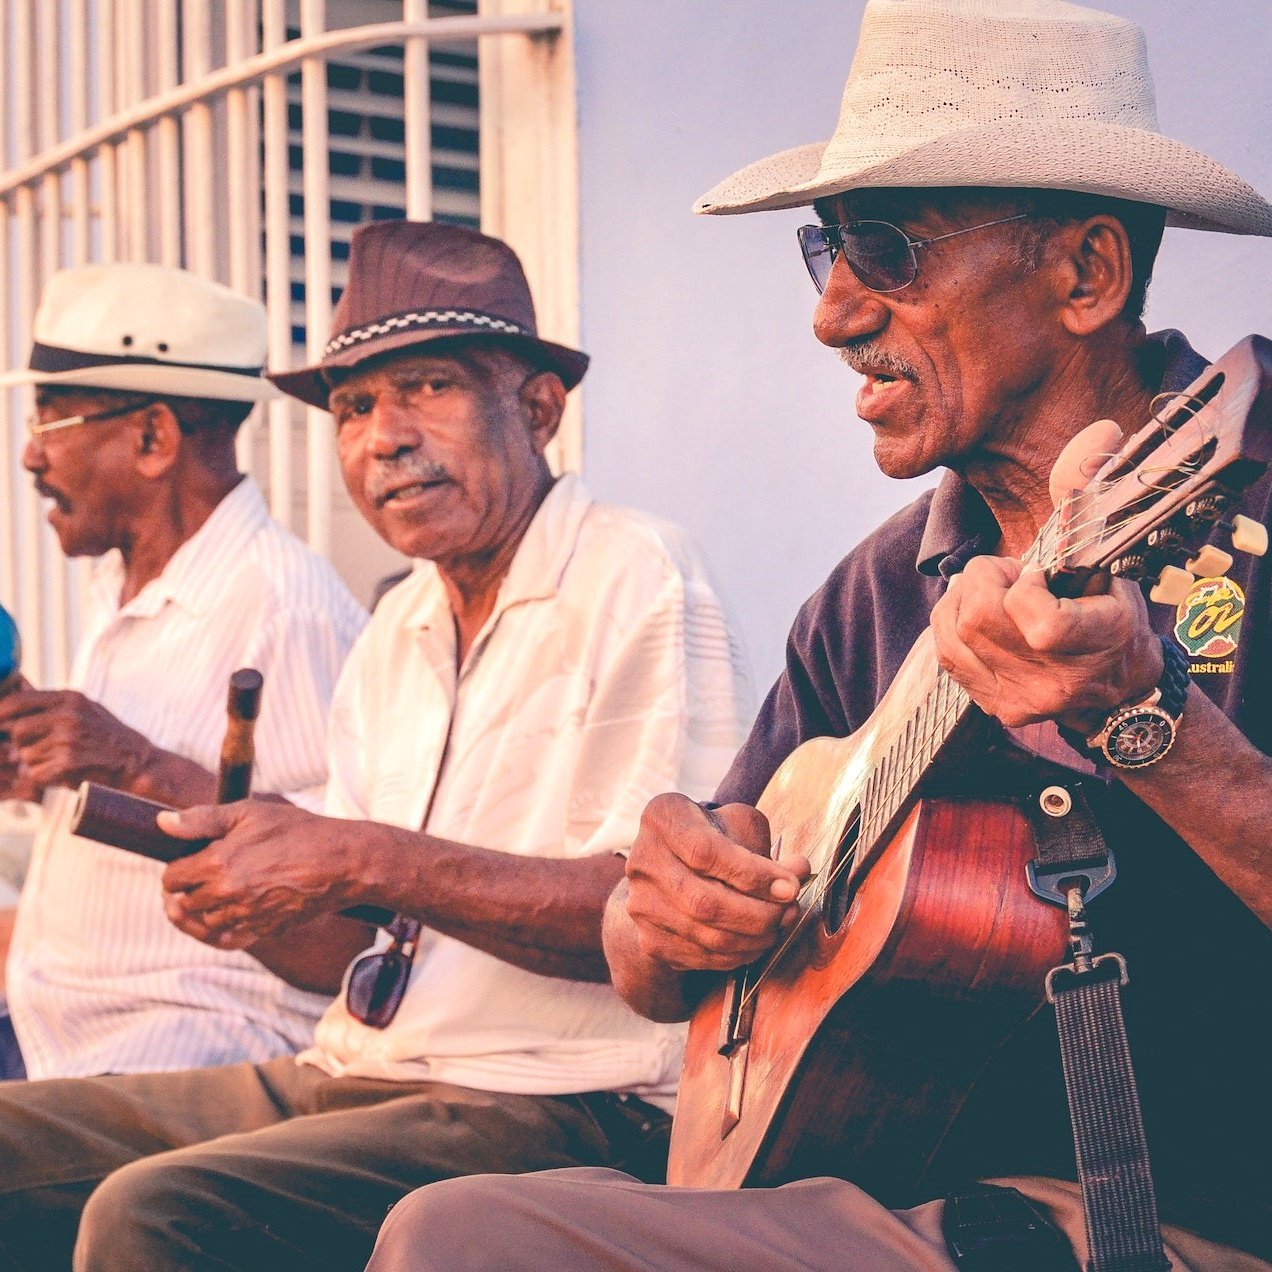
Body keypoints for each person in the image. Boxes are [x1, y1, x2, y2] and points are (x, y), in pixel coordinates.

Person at [364, 2, 1272, 1269]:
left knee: (465, 1238)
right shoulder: (872, 594)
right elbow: (652, 964)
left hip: (1175, 1218)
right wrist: (666, 904)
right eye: (825, 253)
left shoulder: (1244, 495)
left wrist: (1152, 724)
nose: (833, 315)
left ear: (1087, 275)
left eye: (888, 250)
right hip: (884, 1195)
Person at [0, 220, 753, 1271]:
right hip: (361, 1067)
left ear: (537, 407)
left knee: (153, 1214)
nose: (381, 438)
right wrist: (252, 906)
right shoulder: (397, 632)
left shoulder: (638, 574)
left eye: (429, 387)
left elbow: (656, 920)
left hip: (560, 1098)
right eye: (352, 406)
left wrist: (361, 855)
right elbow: (354, 957)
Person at [0, 263, 368, 1082]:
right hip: (54, 1022)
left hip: (193, 1037)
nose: (30, 453)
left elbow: (346, 905)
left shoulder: (288, 608)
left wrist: (133, 762)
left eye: (51, 419)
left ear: (153, 438)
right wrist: (36, 770)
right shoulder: (123, 583)